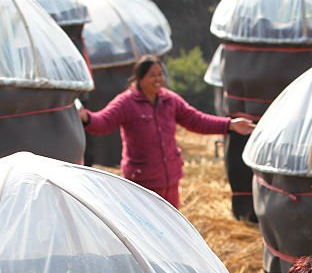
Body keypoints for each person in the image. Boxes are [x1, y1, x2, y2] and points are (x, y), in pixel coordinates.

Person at [79, 55, 254, 208]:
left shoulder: (170, 100)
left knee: (171, 228)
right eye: (152, 75)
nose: (158, 80)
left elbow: (196, 120)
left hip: (170, 179)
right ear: (139, 79)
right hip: (142, 181)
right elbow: (103, 123)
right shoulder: (126, 103)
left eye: (160, 74)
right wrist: (86, 117)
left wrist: (230, 125)